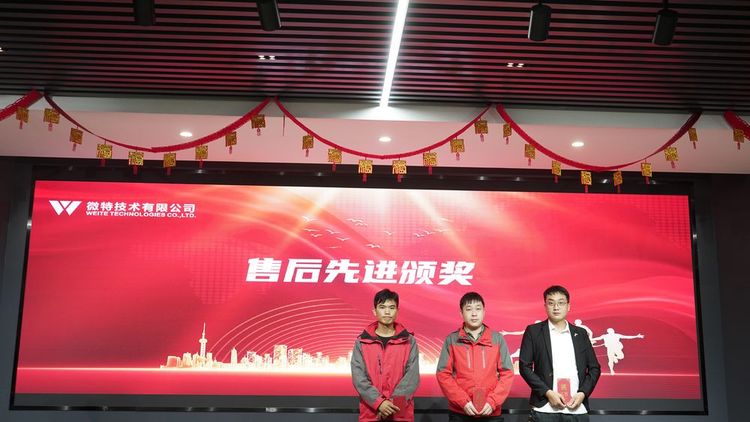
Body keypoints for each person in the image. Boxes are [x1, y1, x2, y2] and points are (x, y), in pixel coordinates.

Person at [519, 285, 601, 421]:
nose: (556, 307)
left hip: (576, 408)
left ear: (568, 306)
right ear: (545, 306)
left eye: (561, 303)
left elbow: (594, 368)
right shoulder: (534, 331)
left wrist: (583, 393)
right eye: (551, 303)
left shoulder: (581, 334)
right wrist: (547, 392)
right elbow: (524, 367)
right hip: (545, 408)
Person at [436, 292, 514, 421]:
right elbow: (443, 374)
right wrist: (462, 401)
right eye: (468, 309)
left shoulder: (497, 339)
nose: (474, 313)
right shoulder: (452, 340)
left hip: (491, 411)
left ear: (484, 312)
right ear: (461, 313)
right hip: (460, 412)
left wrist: (493, 401)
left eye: (478, 309)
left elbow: (507, 373)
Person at [351, 289, 420, 421]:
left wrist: (392, 406)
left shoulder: (409, 341)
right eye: (382, 307)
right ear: (374, 311)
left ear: (397, 311)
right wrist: (379, 403)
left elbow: (411, 378)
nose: (387, 312)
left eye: (391, 308)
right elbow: (359, 378)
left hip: (400, 412)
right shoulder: (362, 341)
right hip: (371, 412)